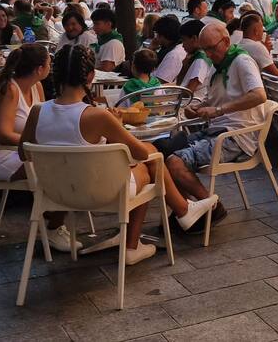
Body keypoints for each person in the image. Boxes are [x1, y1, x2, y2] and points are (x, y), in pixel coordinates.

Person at [21, 46, 218, 259]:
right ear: (91, 75)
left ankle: (180, 212)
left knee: (147, 156)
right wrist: (115, 124)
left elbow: (24, 154)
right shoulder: (97, 116)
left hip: (55, 191)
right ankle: (143, 238)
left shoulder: (37, 112)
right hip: (99, 193)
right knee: (150, 160)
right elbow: (140, 153)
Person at [161, 23, 273, 229]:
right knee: (163, 152)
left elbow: (259, 95)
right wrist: (197, 107)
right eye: (205, 50)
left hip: (236, 136)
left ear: (226, 42)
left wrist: (219, 110)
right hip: (216, 130)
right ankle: (186, 209)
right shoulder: (218, 64)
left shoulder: (242, 61)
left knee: (175, 163)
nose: (209, 54)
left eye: (212, 48)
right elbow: (213, 100)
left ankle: (212, 207)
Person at [0, 44, 49, 181]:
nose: (50, 68)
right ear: (39, 70)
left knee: (64, 159)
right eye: (49, 64)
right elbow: (3, 135)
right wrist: (37, 144)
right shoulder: (9, 90)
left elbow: (42, 124)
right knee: (56, 164)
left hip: (20, 150)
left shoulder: (37, 86)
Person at [151, 16, 187, 84]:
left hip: (157, 89)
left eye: (156, 34)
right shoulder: (175, 48)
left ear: (162, 36)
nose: (155, 37)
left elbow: (161, 81)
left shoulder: (174, 55)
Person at [89, 8, 125, 73]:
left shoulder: (113, 44)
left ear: (108, 24)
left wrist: (85, 71)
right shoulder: (100, 40)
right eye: (94, 24)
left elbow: (106, 70)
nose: (94, 27)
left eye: (97, 24)